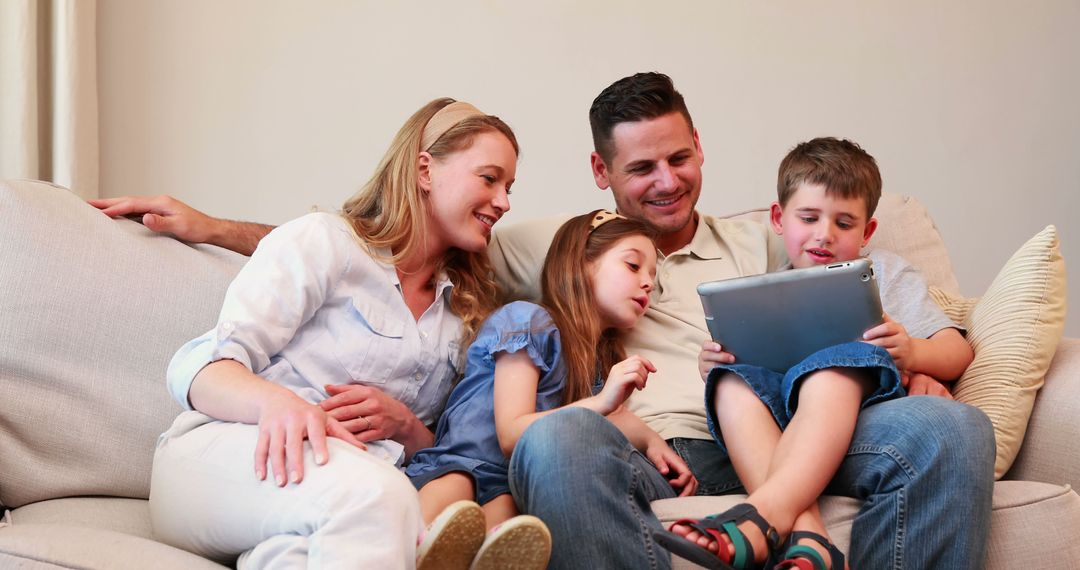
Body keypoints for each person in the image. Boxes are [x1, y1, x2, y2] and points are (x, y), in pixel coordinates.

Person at [91, 72, 997, 569]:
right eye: (641, 169)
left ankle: (782, 529)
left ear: (702, 152)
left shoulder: (765, 237)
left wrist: (921, 355)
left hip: (774, 435)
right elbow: (369, 238)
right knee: (554, 447)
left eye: (680, 158)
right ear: (602, 179)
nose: (667, 182)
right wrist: (215, 229)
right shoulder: (555, 246)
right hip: (632, 450)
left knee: (950, 431)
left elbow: (843, 278)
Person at [145, 97, 523, 569]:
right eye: (489, 178)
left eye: (509, 186)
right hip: (222, 457)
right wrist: (280, 404)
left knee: (304, 553)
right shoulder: (327, 242)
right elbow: (198, 368)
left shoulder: (464, 313)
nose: (504, 202)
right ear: (425, 171)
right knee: (381, 500)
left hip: (330, 493)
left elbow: (443, 453)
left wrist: (408, 427)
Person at [653, 137, 975, 569]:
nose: (825, 234)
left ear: (867, 231)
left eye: (845, 223)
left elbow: (957, 352)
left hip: (866, 413)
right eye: (809, 217)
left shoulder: (884, 272)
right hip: (788, 423)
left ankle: (764, 517)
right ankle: (812, 542)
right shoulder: (764, 285)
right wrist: (711, 364)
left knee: (835, 364)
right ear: (778, 219)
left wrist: (913, 352)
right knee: (729, 380)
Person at [408, 210, 698, 569]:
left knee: (509, 534)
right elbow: (511, 433)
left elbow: (605, 419)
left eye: (653, 275)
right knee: (453, 502)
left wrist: (653, 442)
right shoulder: (530, 321)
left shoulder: (595, 365)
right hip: (462, 463)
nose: (647, 284)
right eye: (633, 266)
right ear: (580, 264)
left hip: (509, 484)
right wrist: (602, 401)